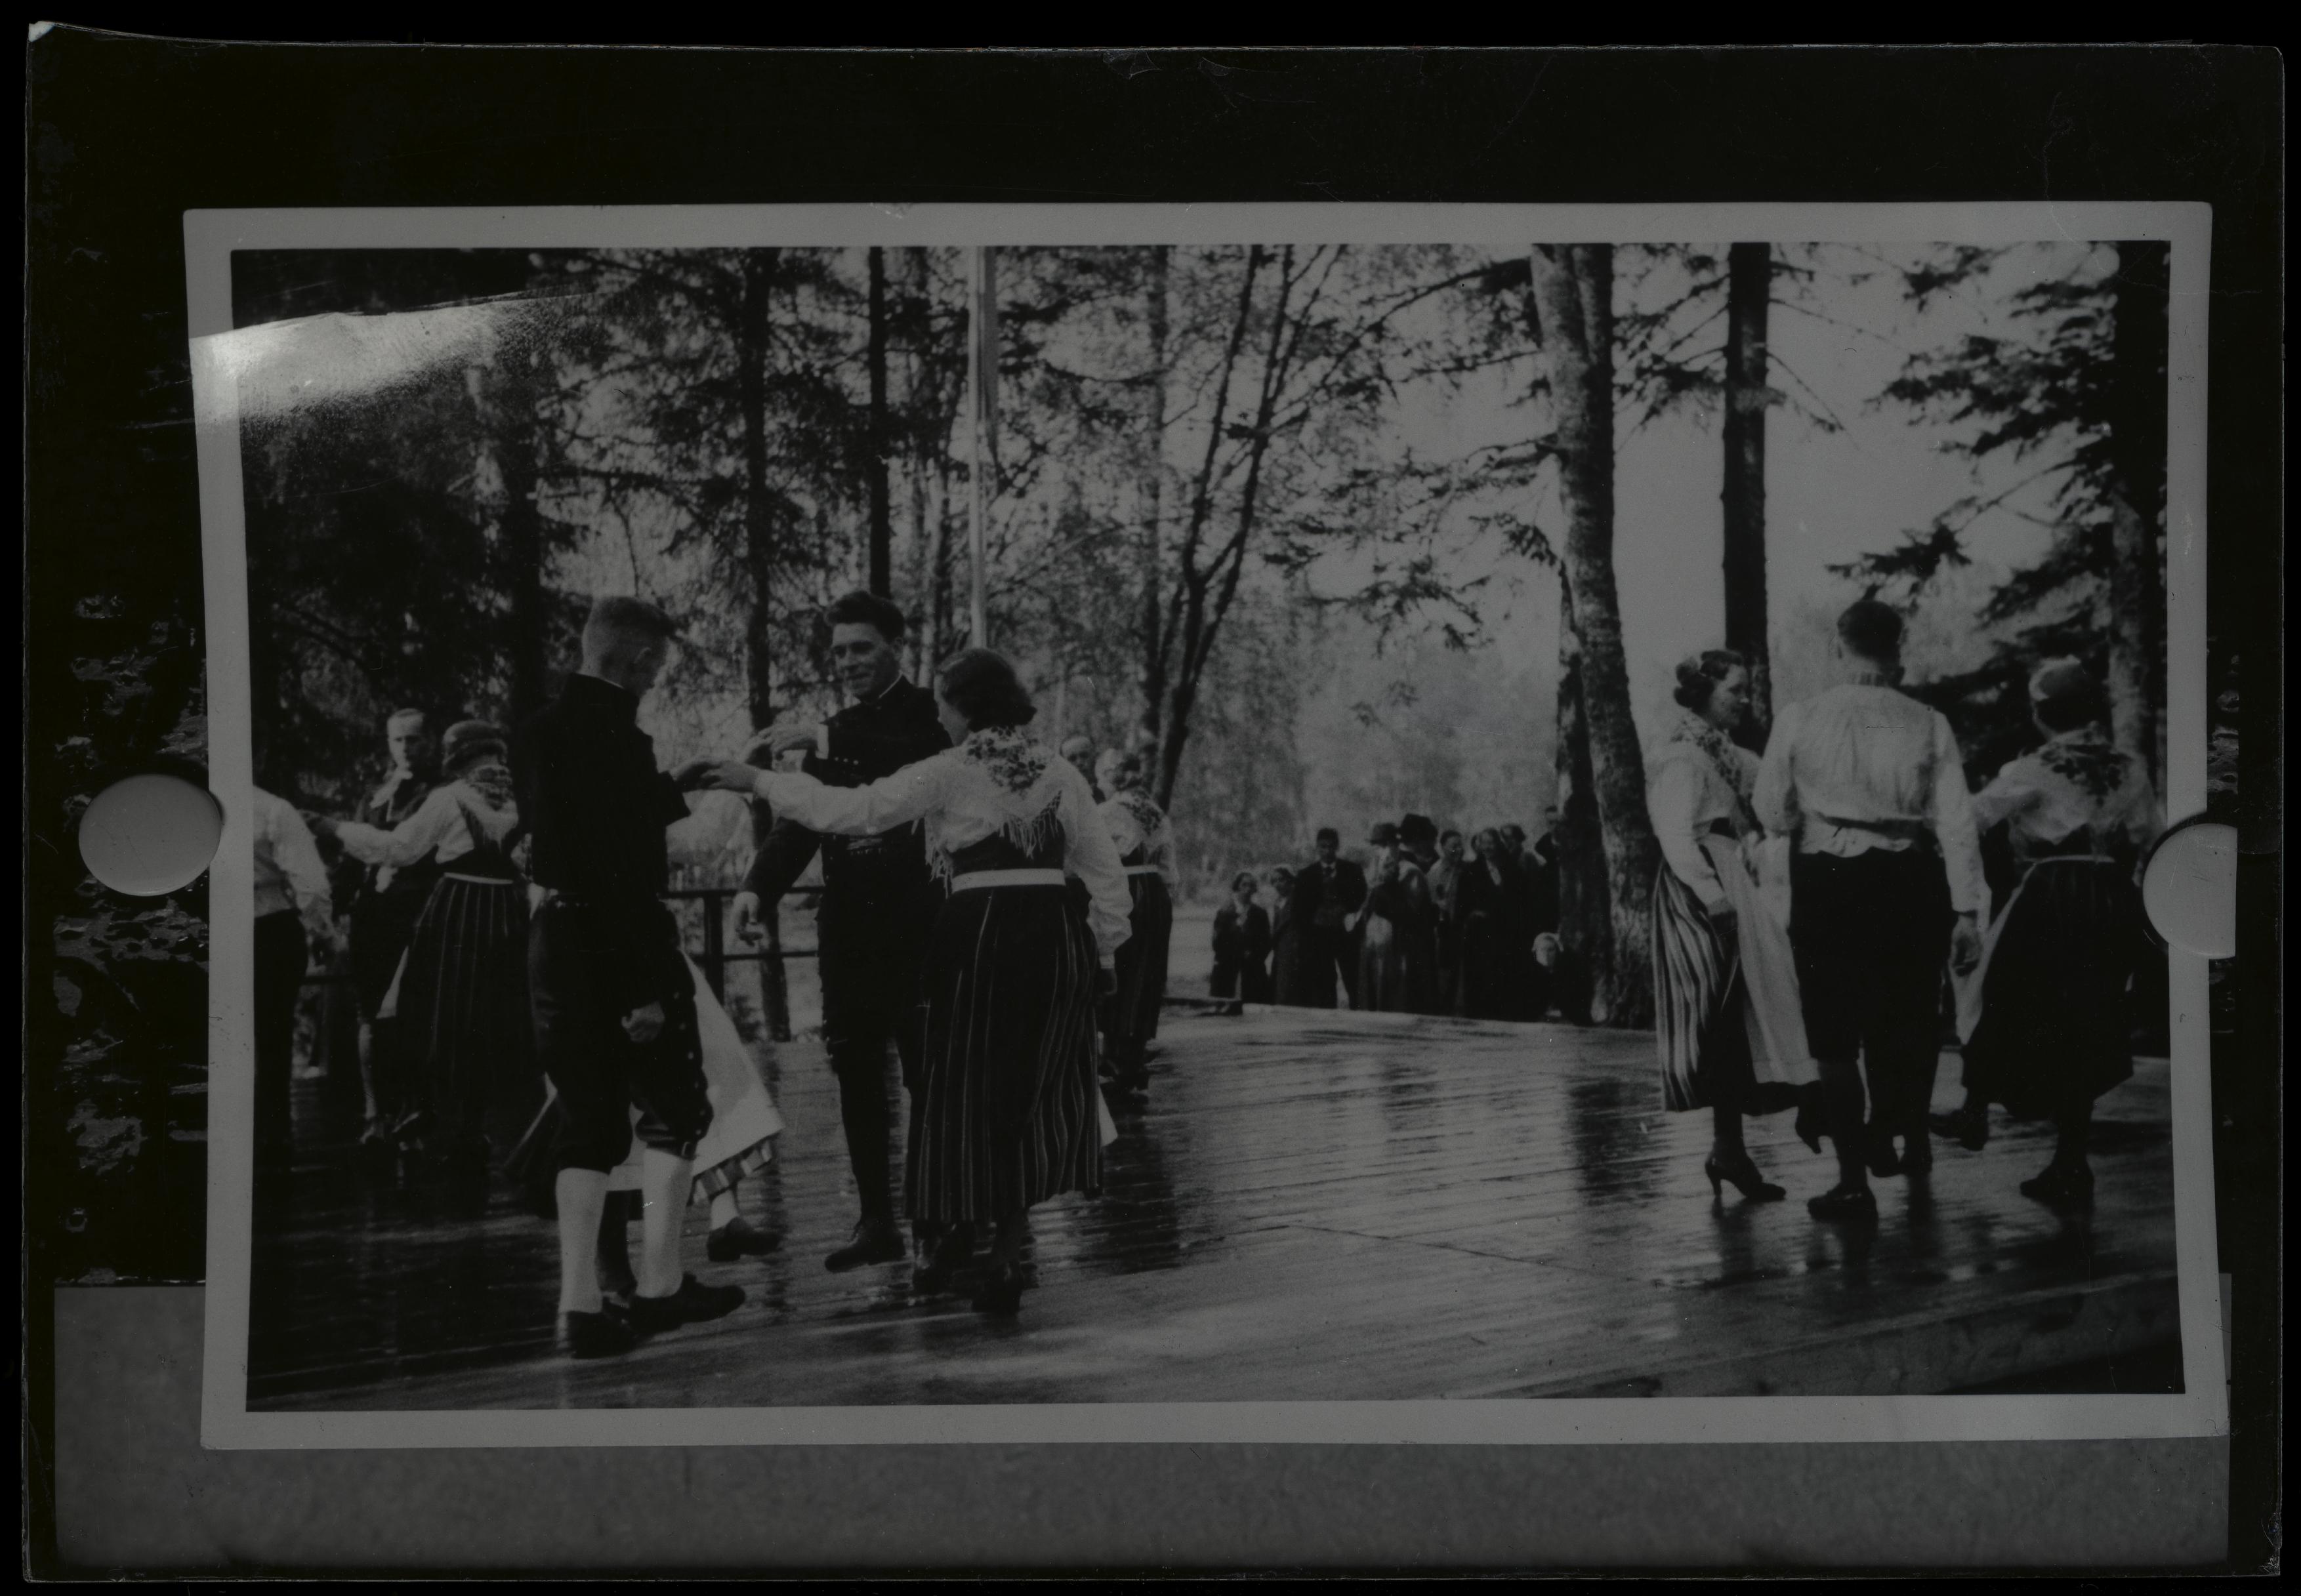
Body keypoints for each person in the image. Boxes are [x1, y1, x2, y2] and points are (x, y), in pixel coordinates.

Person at [691, 647, 1132, 1316]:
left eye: (945, 705)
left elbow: (857, 810)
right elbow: (1105, 872)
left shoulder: (951, 771)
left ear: (966, 708)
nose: (940, 717)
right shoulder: (1061, 771)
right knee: (1030, 1093)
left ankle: (940, 1238)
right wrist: (1104, 951)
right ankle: (1005, 1255)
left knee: (956, 1092)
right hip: (1054, 937)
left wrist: (757, 781)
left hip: (981, 934)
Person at [514, 595, 743, 1360]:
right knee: (677, 1109)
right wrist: (644, 984)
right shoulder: (619, 736)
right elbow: (620, 859)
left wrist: (679, 783)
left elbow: (571, 832)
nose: (655, 680)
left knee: (587, 1121)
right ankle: (660, 1284)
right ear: (637, 661)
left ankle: (577, 1308)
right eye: (655, 667)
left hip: (554, 938)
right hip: (618, 940)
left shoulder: (539, 732)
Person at [732, 590, 951, 1273]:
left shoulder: (932, 719)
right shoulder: (835, 731)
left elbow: (908, 763)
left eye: (861, 648)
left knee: (928, 1075)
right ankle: (876, 1221)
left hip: (920, 923)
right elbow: (805, 820)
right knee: (856, 1073)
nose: (848, 663)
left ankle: (937, 1220)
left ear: (895, 648)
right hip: (851, 926)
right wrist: (756, 888)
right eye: (839, 653)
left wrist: (821, 741)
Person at [1755, 599, 1985, 1222]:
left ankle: (1852, 1177)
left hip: (1827, 876)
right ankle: (1899, 1136)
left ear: (1838, 646)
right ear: (1896, 648)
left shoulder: (1800, 717)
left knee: (1832, 1035)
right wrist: (1967, 912)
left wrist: (1813, 817)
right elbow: (1958, 824)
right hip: (1908, 875)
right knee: (1906, 1018)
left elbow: (1771, 811)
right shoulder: (1927, 722)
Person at [1940, 660, 2162, 1206]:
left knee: (1996, 990)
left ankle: (1975, 1108)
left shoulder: (2034, 767)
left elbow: (1972, 818)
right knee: (2086, 1022)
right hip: (2110, 897)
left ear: (2040, 713)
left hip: (2052, 892)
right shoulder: (2128, 764)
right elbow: (2152, 834)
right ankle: (2069, 1158)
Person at [312, 720, 526, 1185]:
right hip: (508, 913)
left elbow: (400, 849)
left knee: (421, 1008)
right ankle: (470, 1127)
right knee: (486, 1019)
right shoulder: (522, 798)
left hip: (458, 910)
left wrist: (335, 828)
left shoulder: (449, 797)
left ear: (458, 760)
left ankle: (425, 1110)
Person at [1648, 651, 1821, 1206]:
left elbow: (1773, 785)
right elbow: (1675, 832)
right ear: (1704, 692)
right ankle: (1732, 1147)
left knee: (1747, 1011)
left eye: (1747, 691)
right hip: (1701, 885)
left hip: (1730, 875)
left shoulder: (1722, 749)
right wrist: (1712, 896)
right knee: (1722, 1014)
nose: (1745, 701)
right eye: (1735, 691)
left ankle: (1731, 1148)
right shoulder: (1682, 752)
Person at [336, 708, 439, 1147]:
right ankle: (375, 1114)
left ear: (429, 742)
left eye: (414, 740)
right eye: (397, 741)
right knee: (370, 1014)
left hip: (418, 916)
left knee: (415, 1014)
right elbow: (352, 852)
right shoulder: (375, 796)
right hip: (373, 919)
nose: (405, 748)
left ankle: (414, 1113)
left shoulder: (440, 796)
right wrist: (340, 905)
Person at [253, 788, 335, 1172]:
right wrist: (322, 933)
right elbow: (311, 883)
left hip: (213, 928)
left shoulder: (181, 802)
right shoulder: (271, 807)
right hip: (267, 928)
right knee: (271, 1035)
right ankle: (273, 1134)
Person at [1096, 749, 1176, 1094]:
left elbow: (1092, 858)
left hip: (1126, 889)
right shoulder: (1156, 812)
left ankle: (1117, 1057)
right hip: (1156, 894)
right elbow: (1170, 867)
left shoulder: (1108, 812)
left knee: (1120, 966)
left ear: (1110, 778)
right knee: (1147, 973)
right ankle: (1131, 1053)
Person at [1356, 819, 1440, 1013]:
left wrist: (1388, 890)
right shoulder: (1374, 874)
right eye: (1377, 847)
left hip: (1399, 947)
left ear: (1395, 845)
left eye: (1386, 845)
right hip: (1375, 945)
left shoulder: (1410, 872)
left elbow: (1413, 915)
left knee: (1397, 997)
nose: (1381, 852)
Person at [1291, 828, 1368, 1008]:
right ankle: (1328, 1021)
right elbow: (1299, 911)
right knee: (1324, 983)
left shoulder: (1352, 870)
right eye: (1323, 847)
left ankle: (1360, 1016)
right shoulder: (1305, 876)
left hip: (1346, 935)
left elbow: (1361, 896)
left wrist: (1345, 909)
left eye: (1332, 847)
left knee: (1353, 979)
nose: (1327, 851)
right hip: (1318, 938)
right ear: (1317, 848)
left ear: (1338, 847)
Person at [1454, 828, 1524, 1021]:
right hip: (1479, 937)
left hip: (1506, 936)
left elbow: (1521, 904)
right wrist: (1473, 915)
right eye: (1483, 843)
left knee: (1503, 980)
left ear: (1499, 844)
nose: (1488, 847)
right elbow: (1461, 908)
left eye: (1491, 842)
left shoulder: (1512, 870)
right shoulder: (1470, 873)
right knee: (1480, 981)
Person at [1210, 870, 1273, 1002]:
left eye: (1251, 886)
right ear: (1237, 886)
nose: (1247, 889)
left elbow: (1266, 943)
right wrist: (1235, 953)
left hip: (1252, 969)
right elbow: (1217, 943)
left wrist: (1253, 954)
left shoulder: (1260, 914)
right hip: (1227, 968)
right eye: (1244, 885)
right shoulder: (1225, 912)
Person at [1428, 829, 1467, 1010]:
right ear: (1443, 848)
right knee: (1443, 976)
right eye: (1454, 847)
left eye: (1461, 846)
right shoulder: (1435, 872)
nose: (1459, 850)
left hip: (1463, 930)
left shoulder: (1467, 870)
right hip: (1443, 932)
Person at [1266, 867, 1303, 1005]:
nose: (1278, 884)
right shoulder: (1278, 903)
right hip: (1281, 954)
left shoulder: (1297, 900)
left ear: (1290, 880)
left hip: (1294, 954)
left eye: (1281, 880)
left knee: (1290, 993)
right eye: (1274, 881)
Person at [1524, 808, 1563, 937]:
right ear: (1547, 825)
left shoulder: (1574, 846)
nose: (1556, 827)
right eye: (1551, 823)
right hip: (1550, 906)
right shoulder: (1540, 850)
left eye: (1559, 823)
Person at [1060, 735, 1104, 802]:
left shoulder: (1108, 793)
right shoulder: (1061, 802)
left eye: (1084, 756)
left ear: (1095, 757)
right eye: (1072, 759)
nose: (1079, 763)